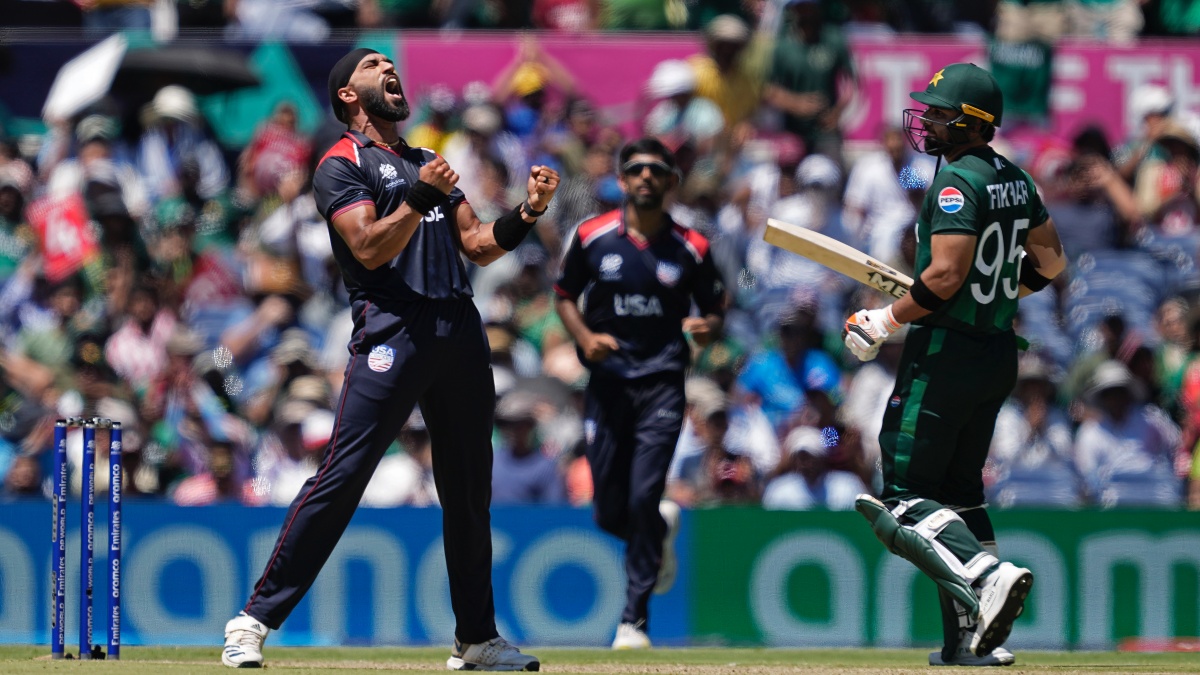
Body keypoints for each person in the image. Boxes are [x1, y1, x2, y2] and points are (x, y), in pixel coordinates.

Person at [220, 48, 558, 672]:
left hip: (457, 327)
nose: (389, 70)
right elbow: (370, 248)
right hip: (392, 329)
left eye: (389, 64)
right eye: (373, 66)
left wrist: (528, 211)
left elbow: (479, 246)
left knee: (467, 492)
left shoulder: (428, 161)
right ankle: (252, 621)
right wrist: (418, 197)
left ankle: (477, 639)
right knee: (343, 476)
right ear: (349, 95)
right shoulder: (339, 164)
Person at [841, 63, 1068, 667]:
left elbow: (942, 274)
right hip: (995, 354)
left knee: (903, 498)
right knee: (961, 497)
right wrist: (990, 293)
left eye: (940, 114)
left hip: (944, 357)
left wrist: (883, 321)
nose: (928, 122)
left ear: (970, 124)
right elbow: (1049, 265)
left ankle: (985, 574)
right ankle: (971, 641)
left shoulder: (955, 183)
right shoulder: (1017, 179)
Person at [554, 137, 726, 650]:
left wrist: (707, 328)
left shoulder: (692, 247)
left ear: (672, 182)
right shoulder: (591, 236)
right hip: (607, 385)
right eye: (636, 170)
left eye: (656, 171)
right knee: (610, 512)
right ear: (622, 180)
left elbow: (716, 307)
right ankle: (656, 532)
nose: (646, 178)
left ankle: (634, 621)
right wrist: (585, 339)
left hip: (662, 385)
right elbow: (563, 295)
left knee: (643, 493)